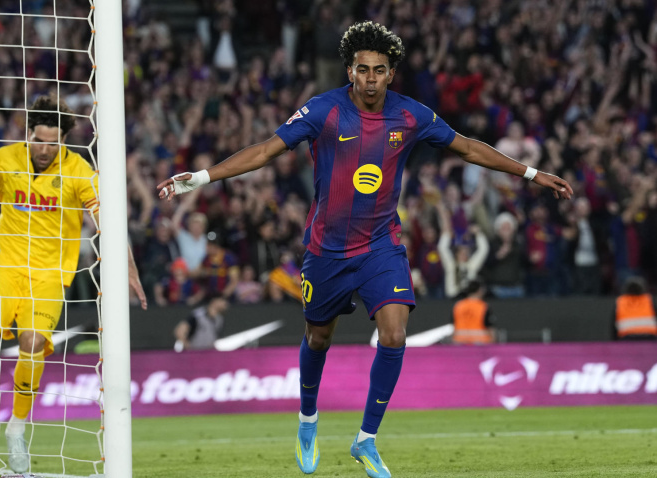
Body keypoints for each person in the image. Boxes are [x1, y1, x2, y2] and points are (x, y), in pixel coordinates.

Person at [157, 22, 571, 478]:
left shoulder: (410, 115)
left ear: (391, 73)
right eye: (362, 70)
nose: (371, 79)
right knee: (319, 338)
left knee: (394, 336)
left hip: (380, 247)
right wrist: (201, 177)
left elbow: (468, 148)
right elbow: (264, 151)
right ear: (349, 71)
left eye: (379, 70)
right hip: (327, 251)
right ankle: (308, 420)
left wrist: (531, 174)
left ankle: (366, 439)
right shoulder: (324, 110)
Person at [0, 94, 147, 473]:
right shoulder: (3, 159)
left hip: (50, 275)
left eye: (53, 142)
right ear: (28, 134)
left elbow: (108, 224)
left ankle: (16, 429)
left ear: (64, 139)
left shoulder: (80, 171)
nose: (45, 149)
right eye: (39, 140)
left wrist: (128, 268)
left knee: (32, 344)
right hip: (5, 267)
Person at [451, 279, 496, 345]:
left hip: (460, 341)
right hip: (480, 342)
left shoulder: (458, 305)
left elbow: (452, 325)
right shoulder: (483, 306)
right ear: (480, 290)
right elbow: (490, 328)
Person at [613, 276, 657, 340]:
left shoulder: (620, 302)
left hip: (627, 338)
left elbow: (614, 326)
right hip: (649, 337)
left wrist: (615, 342)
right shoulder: (649, 300)